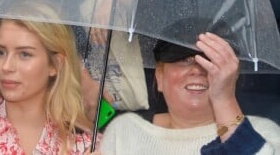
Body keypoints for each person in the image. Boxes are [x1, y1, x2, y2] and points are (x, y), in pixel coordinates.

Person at [100, 32, 280, 154]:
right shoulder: (124, 131)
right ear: (159, 77)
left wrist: (224, 100)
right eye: (184, 60)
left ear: (232, 77)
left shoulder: (262, 132)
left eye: (210, 61)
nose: (197, 70)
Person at [0, 1, 100, 154]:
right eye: (0, 52)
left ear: (55, 64)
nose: (6, 66)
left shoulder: (84, 144)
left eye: (25, 54)